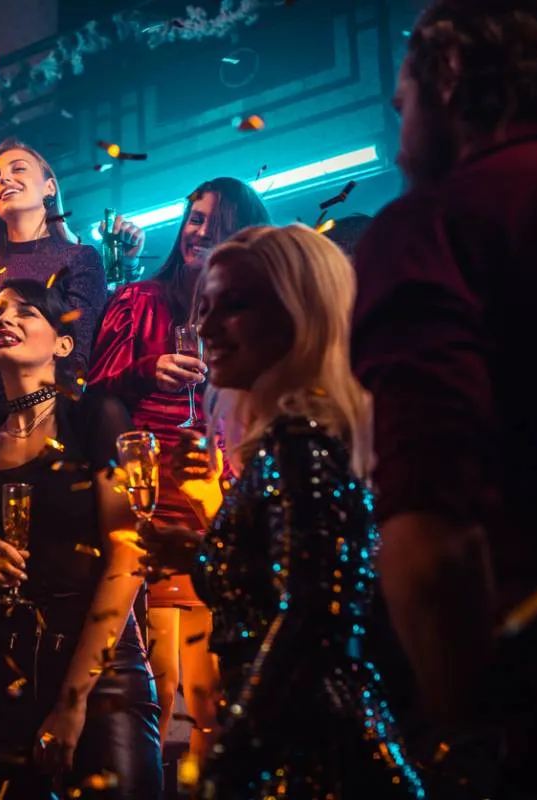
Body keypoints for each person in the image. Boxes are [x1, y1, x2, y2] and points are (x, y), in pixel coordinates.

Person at [351, 2, 537, 795]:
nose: (397, 122)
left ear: (449, 73)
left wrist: (463, 737)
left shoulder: (436, 227)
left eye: (402, 100)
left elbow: (434, 539)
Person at [184, 223, 425, 798]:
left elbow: (315, 623)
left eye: (234, 306)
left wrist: (230, 761)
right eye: (205, 307)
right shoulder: (291, 443)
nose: (206, 328)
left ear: (300, 315)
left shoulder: (302, 446)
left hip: (317, 760)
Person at [0, 278, 162, 799]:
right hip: (9, 668)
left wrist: (73, 701)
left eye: (25, 312)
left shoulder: (96, 415)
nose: (4, 319)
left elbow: (129, 552)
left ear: (63, 344)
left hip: (101, 666)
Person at [87, 176, 269, 760]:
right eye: (194, 218)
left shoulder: (252, 320)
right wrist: (148, 367)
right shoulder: (138, 300)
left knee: (216, 701)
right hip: (151, 497)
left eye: (216, 224)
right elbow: (94, 397)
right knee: (159, 691)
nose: (199, 231)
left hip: (219, 499)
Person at [0, 139, 108, 426]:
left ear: (49, 188)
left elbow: (76, 361)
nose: (3, 179)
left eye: (18, 169)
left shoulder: (78, 258)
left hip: (49, 421)